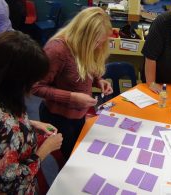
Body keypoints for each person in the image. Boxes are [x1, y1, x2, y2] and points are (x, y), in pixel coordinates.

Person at [0, 31, 63, 194]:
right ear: (15, 80)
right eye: (31, 80)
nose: (34, 85)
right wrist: (45, 150)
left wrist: (29, 124)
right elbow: (11, 183)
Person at [32, 7, 113, 161]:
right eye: (95, 42)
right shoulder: (57, 50)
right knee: (68, 162)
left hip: (78, 115)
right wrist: (71, 97)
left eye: (101, 43)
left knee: (79, 156)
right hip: (58, 119)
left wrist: (98, 81)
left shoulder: (87, 46)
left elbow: (83, 70)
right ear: (83, 34)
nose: (98, 46)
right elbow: (35, 86)